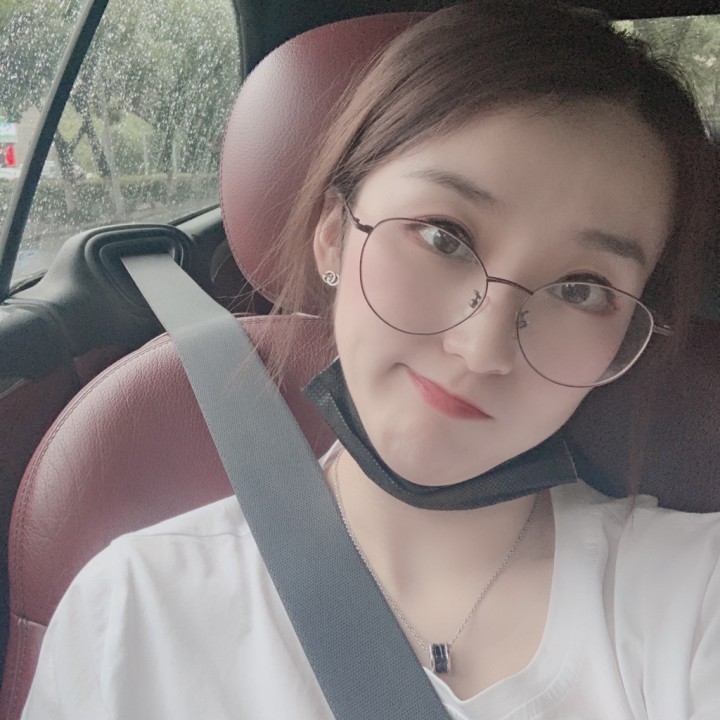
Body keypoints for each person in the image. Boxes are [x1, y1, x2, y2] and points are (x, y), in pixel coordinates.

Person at [21, 1, 720, 718]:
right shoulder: (132, 616)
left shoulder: (695, 602)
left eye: (581, 290)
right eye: (444, 237)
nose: (482, 349)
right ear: (333, 232)